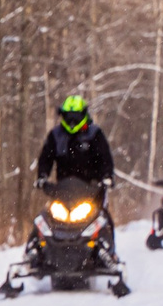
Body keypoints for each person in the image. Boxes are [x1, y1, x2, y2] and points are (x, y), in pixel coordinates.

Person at [34, 95, 117, 256]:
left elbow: (105, 158)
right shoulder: (56, 135)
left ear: (83, 115)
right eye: (68, 116)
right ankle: (34, 250)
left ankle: (109, 252)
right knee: (43, 218)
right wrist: (42, 177)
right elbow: (46, 158)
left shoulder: (94, 134)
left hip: (91, 190)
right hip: (63, 190)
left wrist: (107, 177)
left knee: (104, 217)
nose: (72, 121)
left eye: (76, 116)